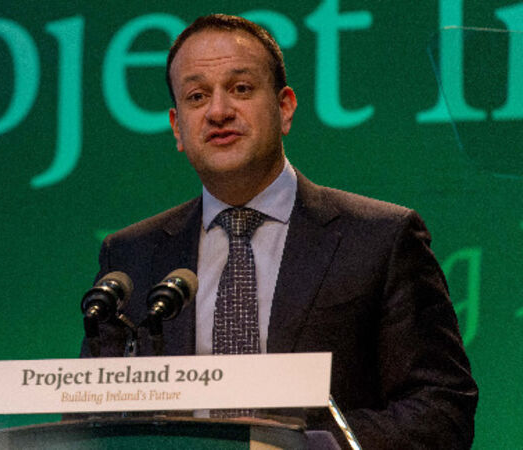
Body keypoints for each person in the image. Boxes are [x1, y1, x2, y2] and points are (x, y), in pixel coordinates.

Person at [83, 14, 477, 449]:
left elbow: (441, 410)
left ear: (285, 107)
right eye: (197, 96)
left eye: (241, 89)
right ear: (178, 127)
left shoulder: (381, 238)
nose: (218, 111)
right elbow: (91, 419)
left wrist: (296, 446)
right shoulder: (131, 257)